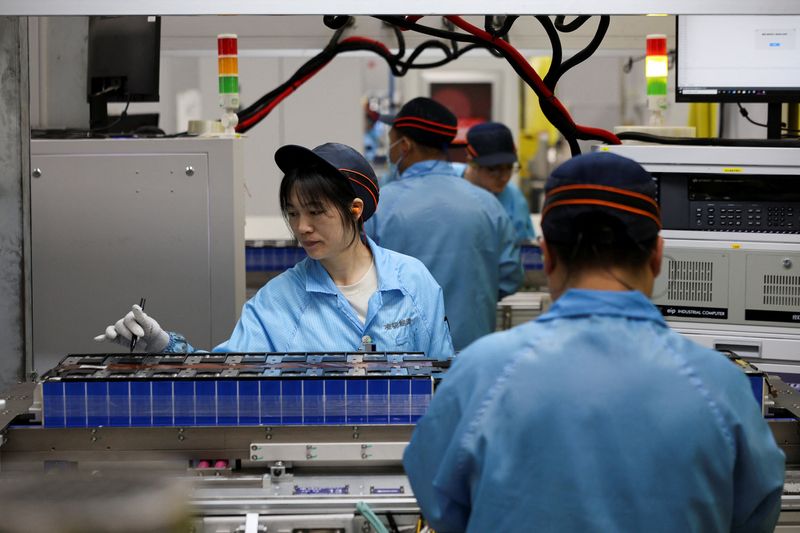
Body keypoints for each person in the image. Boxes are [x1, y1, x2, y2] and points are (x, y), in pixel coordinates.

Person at [403, 151, 785, 532]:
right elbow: (756, 516)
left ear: (547, 256)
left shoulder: (480, 374)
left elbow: (441, 506)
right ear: (657, 256)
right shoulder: (721, 387)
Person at [95, 142, 454, 359]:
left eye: (315, 212)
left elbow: (442, 377)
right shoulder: (278, 302)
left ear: (355, 210)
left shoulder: (412, 282)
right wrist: (162, 344)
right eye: (293, 213)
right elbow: (225, 376)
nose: (301, 227)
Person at [365, 97, 522, 350]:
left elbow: (358, 281)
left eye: (391, 141)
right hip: (470, 353)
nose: (390, 151)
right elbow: (510, 277)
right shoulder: (488, 206)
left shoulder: (380, 207)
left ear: (404, 146)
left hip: (402, 358)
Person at [460, 121, 536, 244]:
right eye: (493, 169)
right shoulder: (448, 183)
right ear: (470, 162)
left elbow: (526, 249)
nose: (504, 177)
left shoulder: (514, 200)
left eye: (509, 167)